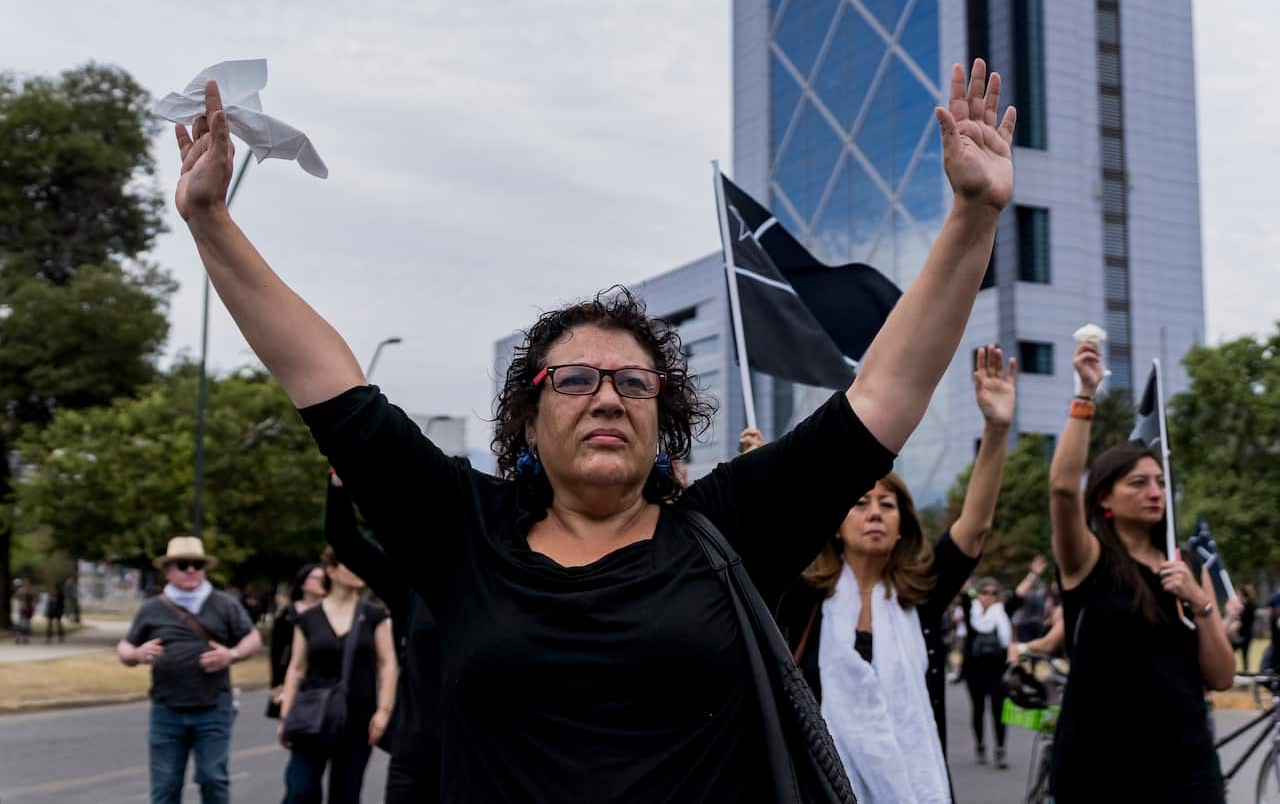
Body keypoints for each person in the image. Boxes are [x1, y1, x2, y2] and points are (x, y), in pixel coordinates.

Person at [171, 58, 1016, 801]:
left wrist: (972, 216)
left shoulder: (728, 527)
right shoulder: (461, 528)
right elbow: (326, 378)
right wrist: (212, 222)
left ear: (664, 420)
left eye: (633, 383)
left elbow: (884, 393)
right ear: (530, 419)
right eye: (574, 379)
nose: (606, 397)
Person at [776, 344, 1016, 802]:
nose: (875, 513)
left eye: (887, 504)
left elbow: (975, 526)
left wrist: (997, 429)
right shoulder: (802, 593)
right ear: (837, 524)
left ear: (903, 522)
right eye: (861, 503)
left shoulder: (921, 592)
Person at [1046, 339, 1235, 803]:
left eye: (1160, 483)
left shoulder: (1184, 563)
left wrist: (1200, 602)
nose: (1155, 492)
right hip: (1102, 768)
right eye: (1138, 483)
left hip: (1188, 768)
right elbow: (1062, 489)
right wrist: (1085, 396)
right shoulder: (1087, 560)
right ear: (1105, 498)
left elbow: (1223, 676)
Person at [325, 473, 442, 803]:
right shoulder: (413, 587)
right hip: (414, 755)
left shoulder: (494, 581)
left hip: (478, 758)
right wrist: (338, 480)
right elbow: (343, 538)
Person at [117, 537, 262, 804]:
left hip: (213, 707)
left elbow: (253, 638)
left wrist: (230, 655)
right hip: (167, 710)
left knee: (213, 779)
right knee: (165, 786)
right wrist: (138, 654)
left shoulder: (224, 603)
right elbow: (125, 648)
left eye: (197, 564)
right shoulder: (153, 608)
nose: (191, 570)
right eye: (183, 565)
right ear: (168, 570)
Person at [278, 546, 397, 804]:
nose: (359, 570)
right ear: (330, 571)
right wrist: (287, 715)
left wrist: (384, 711)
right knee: (300, 790)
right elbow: (297, 669)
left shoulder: (374, 616)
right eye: (351, 563)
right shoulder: (308, 619)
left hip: (358, 718)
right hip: (312, 717)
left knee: (346, 794)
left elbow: (388, 664)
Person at [961, 576, 1014, 769]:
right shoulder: (971, 612)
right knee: (978, 709)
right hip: (974, 671)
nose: (989, 596)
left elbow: (1018, 596)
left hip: (997, 671)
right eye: (985, 592)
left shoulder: (1001, 613)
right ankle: (980, 745)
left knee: (998, 710)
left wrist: (1033, 574)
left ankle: (1000, 749)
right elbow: (965, 593)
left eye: (993, 593)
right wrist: (972, 589)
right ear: (978, 594)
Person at [268, 562, 325, 719]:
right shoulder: (288, 613)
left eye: (324, 578)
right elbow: (276, 651)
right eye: (316, 578)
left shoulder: (332, 612)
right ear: (303, 583)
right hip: (294, 674)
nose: (321, 582)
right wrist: (277, 683)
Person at [1230, 584, 1257, 669]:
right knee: (1244, 656)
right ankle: (1245, 670)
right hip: (1247, 634)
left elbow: (1242, 621)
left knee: (1230, 652)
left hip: (1242, 635)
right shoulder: (1249, 605)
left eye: (1238, 593)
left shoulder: (1246, 607)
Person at [13, 579, 35, 644]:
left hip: (28, 610)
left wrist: (32, 605)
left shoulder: (30, 591)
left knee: (26, 624)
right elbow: (16, 597)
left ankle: (24, 637)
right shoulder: (20, 591)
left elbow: (34, 599)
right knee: (21, 623)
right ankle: (19, 637)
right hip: (22, 609)